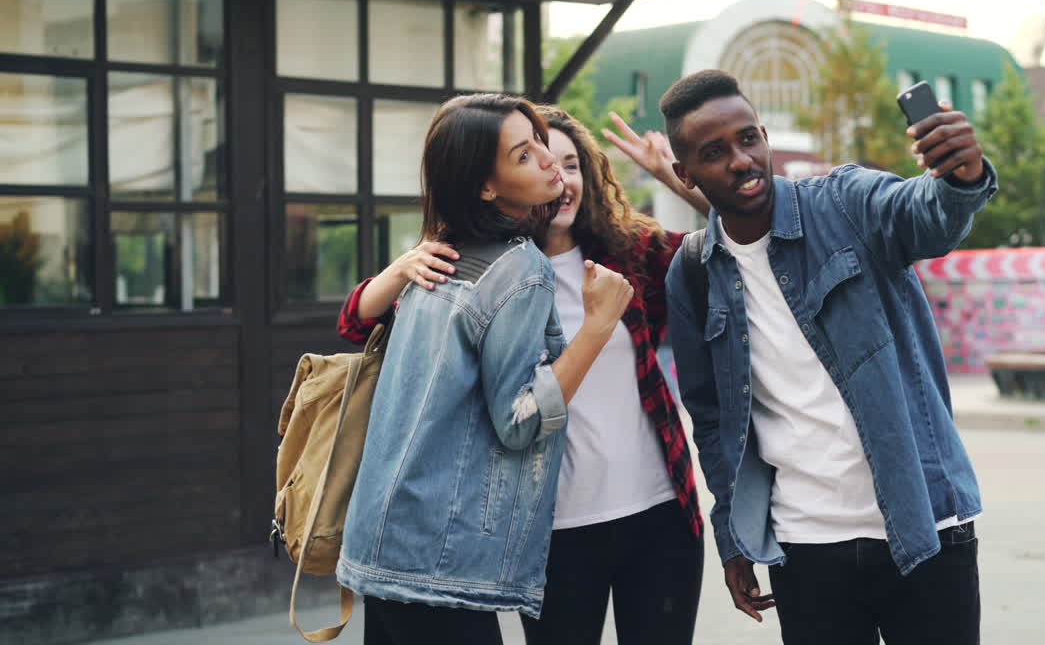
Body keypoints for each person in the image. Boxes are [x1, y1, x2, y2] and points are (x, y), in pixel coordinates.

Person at [337, 105, 709, 645]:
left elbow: (733, 249)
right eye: (532, 155)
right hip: (552, 530)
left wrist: (677, 179)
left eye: (570, 162)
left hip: (657, 513)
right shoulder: (480, 264)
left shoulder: (631, 256)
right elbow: (357, 324)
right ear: (494, 184)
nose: (557, 173)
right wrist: (401, 266)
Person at [661, 70, 997, 645]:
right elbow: (713, 422)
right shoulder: (693, 273)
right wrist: (733, 539)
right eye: (714, 152)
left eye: (748, 139)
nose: (741, 161)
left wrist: (960, 175)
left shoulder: (845, 203)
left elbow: (925, 213)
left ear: (764, 137)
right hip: (805, 546)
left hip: (924, 527)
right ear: (684, 173)